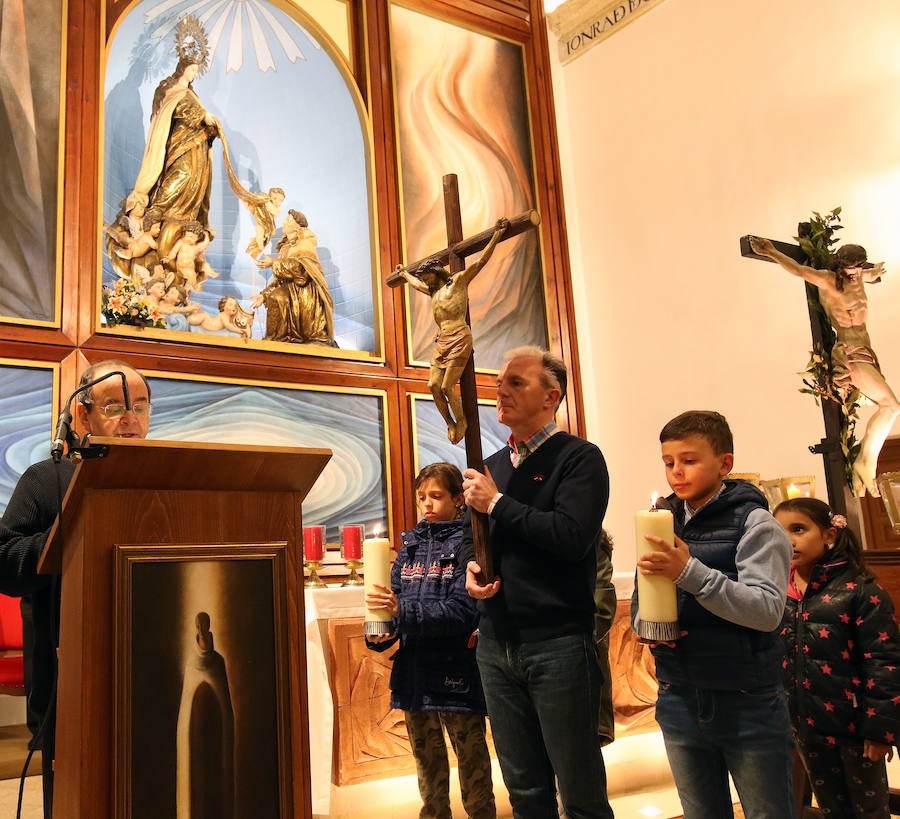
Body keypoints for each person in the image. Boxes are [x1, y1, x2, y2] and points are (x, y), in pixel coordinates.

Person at [463, 346, 614, 819]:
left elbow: (571, 537)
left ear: (551, 396)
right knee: (525, 791)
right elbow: (476, 538)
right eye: (499, 383)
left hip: (557, 642)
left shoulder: (579, 458)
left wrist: (497, 503)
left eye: (516, 383)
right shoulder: (492, 466)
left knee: (580, 792)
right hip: (496, 641)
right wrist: (472, 570)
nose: (501, 392)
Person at [0, 359, 151, 818]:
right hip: (71, 680)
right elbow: (4, 562)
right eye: (115, 407)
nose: (130, 419)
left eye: (140, 406)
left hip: (155, 673)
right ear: (82, 415)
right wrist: (69, 535)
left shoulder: (167, 477)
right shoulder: (46, 479)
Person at [633, 410, 794, 819]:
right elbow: (642, 595)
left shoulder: (756, 524)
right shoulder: (661, 521)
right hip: (678, 694)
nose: (676, 472)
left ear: (725, 463)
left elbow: (766, 611)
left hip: (746, 697)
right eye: (668, 462)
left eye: (689, 460)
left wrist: (689, 572)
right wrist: (646, 627)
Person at [365, 462, 495, 819]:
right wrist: (380, 630)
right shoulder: (408, 547)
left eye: (436, 496)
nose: (427, 504)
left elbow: (461, 612)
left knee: (473, 766)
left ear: (458, 499)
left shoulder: (470, 543)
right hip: (415, 673)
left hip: (457, 673)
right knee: (427, 766)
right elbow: (390, 601)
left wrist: (400, 611)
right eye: (421, 497)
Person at [774, 497, 900, 818]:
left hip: (855, 730)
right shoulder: (779, 593)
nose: (788, 540)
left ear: (829, 534)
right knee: (832, 808)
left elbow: (884, 662)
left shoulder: (861, 590)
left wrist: (880, 729)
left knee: (870, 811)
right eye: (779, 531)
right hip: (807, 727)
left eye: (798, 529)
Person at [748, 236, 899, 498]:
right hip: (850, 354)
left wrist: (875, 272)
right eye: (850, 269)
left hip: (867, 351)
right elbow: (800, 270)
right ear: (839, 267)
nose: (855, 273)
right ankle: (867, 462)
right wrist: (772, 252)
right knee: (891, 406)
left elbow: (871, 274)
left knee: (889, 406)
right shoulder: (828, 281)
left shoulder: (860, 277)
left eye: (858, 267)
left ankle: (865, 460)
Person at [110, 16, 219, 279]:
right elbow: (164, 112)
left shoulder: (193, 94)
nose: (194, 74)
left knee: (193, 182)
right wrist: (201, 116)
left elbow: (200, 119)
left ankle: (183, 219)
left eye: (196, 70)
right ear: (183, 67)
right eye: (192, 69)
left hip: (196, 152)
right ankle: (157, 211)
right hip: (176, 151)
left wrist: (210, 128)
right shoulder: (169, 88)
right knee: (175, 180)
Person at [397, 218, 509, 445]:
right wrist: (404, 274)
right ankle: (450, 422)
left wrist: (497, 234)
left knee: (448, 386)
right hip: (442, 340)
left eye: (426, 276)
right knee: (433, 385)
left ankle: (462, 421)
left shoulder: (458, 282)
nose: (424, 281)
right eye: (422, 278)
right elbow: (415, 285)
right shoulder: (433, 292)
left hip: (459, 336)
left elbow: (480, 262)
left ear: (436, 272)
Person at [251, 210, 336, 346]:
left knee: (278, 297)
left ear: (298, 226)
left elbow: (301, 270)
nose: (284, 222)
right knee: (275, 297)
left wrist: (274, 262)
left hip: (304, 294)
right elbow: (281, 279)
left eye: (289, 220)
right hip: (290, 291)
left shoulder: (305, 243)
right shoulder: (285, 249)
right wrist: (263, 295)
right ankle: (274, 342)